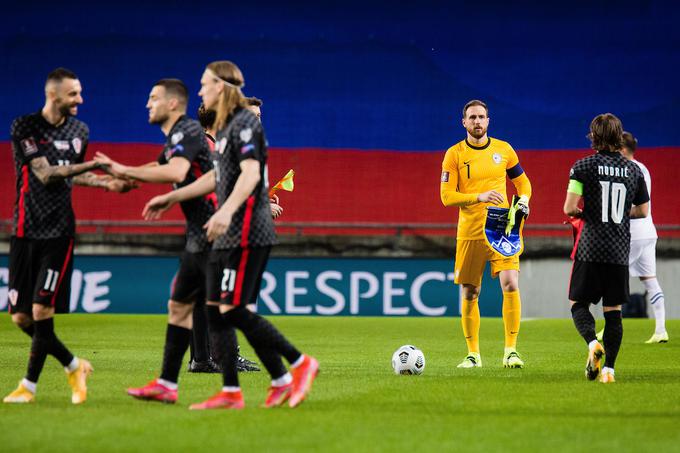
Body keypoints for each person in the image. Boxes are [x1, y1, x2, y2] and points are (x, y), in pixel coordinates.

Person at [144, 60, 318, 409]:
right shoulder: (226, 130)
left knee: (230, 310)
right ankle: (240, 388)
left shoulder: (242, 127)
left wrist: (224, 211)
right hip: (233, 231)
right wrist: (172, 196)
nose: (202, 92)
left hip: (247, 232)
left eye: (206, 85)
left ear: (221, 88)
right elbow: (214, 178)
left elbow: (250, 176)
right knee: (217, 308)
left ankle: (298, 364)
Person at [4, 67, 134, 404]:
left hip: (59, 232)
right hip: (24, 229)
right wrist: (95, 166)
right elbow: (46, 174)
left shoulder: (80, 130)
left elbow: (68, 177)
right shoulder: (25, 127)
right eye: (74, 93)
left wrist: (108, 185)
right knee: (20, 316)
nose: (81, 99)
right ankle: (75, 365)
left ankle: (28, 388)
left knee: (42, 310)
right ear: (54, 95)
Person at [440, 100, 532, 369]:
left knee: (511, 284)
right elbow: (446, 197)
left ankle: (511, 351)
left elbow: (522, 181)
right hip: (470, 231)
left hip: (502, 228)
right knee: (470, 292)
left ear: (488, 121)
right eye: (472, 118)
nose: (477, 122)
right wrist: (478, 196)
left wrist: (524, 198)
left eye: (481, 117)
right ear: (464, 122)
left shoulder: (504, 150)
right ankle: (473, 354)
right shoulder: (454, 154)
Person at [563, 114, 649, 384]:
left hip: (590, 248)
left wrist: (584, 213)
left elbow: (569, 207)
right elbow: (643, 210)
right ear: (618, 135)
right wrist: (622, 213)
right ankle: (609, 371)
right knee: (613, 312)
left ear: (594, 135)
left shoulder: (583, 166)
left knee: (578, 304)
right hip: (618, 250)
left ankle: (592, 343)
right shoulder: (634, 169)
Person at [621, 132, 668, 343]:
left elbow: (633, 204)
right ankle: (660, 330)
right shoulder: (644, 167)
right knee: (650, 280)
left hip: (633, 231)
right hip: (649, 232)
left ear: (622, 149)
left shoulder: (627, 169)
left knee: (615, 277)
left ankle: (612, 325)